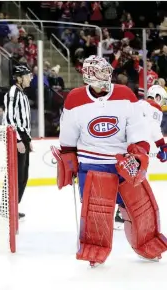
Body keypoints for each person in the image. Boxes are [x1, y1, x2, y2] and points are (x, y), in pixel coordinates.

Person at [52, 55, 167, 267]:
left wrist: (140, 150)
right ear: (90, 76)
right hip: (91, 163)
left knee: (140, 207)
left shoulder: (125, 94)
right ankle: (94, 247)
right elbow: (68, 137)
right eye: (102, 72)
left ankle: (147, 242)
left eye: (107, 71)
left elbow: (137, 129)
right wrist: (69, 159)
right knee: (97, 212)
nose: (107, 75)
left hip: (124, 162)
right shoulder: (74, 99)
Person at [115, 84, 167, 229]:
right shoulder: (153, 107)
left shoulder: (138, 104)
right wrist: (163, 145)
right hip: (136, 149)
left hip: (124, 146)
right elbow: (153, 128)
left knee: (128, 180)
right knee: (137, 181)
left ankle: (122, 213)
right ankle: (124, 215)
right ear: (157, 97)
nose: (162, 104)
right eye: (162, 100)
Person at [2, 64, 33, 220]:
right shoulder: (13, 92)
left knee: (23, 175)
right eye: (28, 76)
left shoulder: (22, 94)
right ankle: (7, 208)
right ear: (19, 78)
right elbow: (9, 118)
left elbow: (23, 121)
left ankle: (13, 207)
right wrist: (18, 140)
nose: (30, 79)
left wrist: (28, 139)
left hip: (23, 137)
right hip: (16, 137)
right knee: (15, 175)